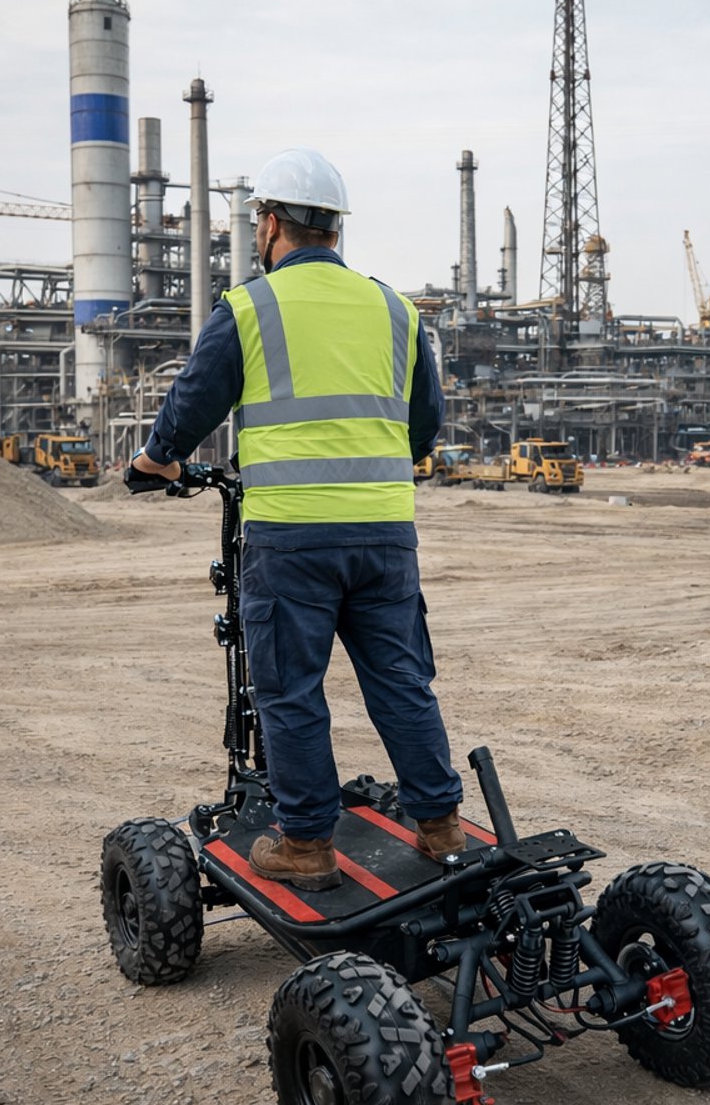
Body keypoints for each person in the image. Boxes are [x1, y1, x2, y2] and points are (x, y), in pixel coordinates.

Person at [130, 148, 465, 891]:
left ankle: (307, 845)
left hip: (291, 539)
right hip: (384, 532)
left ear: (272, 222)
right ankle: (440, 825)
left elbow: (191, 402)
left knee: (288, 689)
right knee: (401, 679)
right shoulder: (396, 309)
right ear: (336, 230)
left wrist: (156, 462)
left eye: (258, 221)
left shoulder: (250, 306)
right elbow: (425, 422)